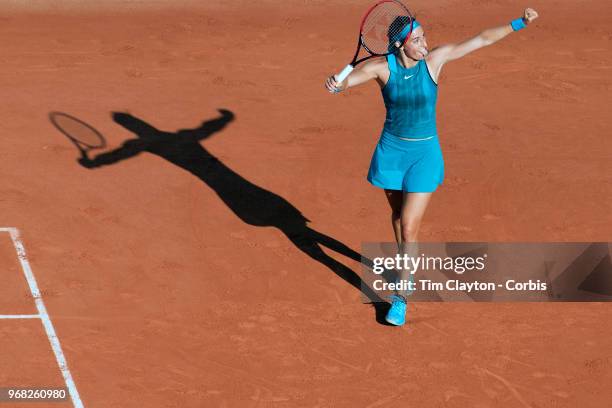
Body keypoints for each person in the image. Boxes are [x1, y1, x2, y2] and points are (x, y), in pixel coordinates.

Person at [324, 8, 539, 326]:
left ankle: (401, 297)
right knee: (397, 216)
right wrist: (337, 84)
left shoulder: (435, 61)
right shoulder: (382, 68)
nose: (425, 43)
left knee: (410, 226)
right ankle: (405, 265)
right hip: (391, 153)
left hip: (424, 155)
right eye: (418, 39)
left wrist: (519, 23)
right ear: (400, 44)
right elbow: (349, 82)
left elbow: (481, 40)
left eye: (425, 36)